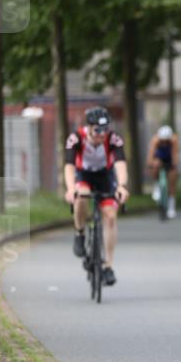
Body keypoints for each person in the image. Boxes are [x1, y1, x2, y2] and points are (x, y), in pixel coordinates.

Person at [64, 107, 129, 286]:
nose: (102, 134)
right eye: (98, 130)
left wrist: (122, 186)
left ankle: (108, 266)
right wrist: (70, 189)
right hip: (83, 175)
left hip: (105, 176)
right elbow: (69, 166)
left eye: (105, 129)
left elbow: (120, 163)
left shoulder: (113, 139)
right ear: (89, 128)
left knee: (110, 216)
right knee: (81, 197)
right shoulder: (75, 138)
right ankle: (79, 233)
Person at [147, 124, 179, 218]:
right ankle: (156, 185)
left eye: (166, 141)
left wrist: (174, 165)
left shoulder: (174, 140)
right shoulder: (155, 140)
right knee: (156, 164)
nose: (164, 143)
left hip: (169, 158)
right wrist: (150, 164)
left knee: (172, 181)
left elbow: (175, 155)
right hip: (159, 157)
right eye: (163, 141)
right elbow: (150, 155)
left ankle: (171, 208)